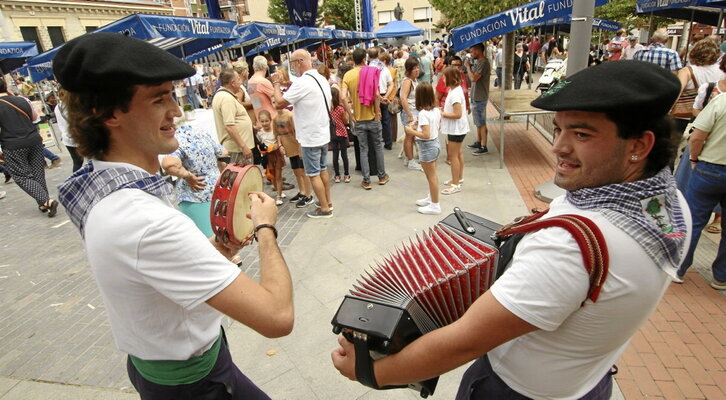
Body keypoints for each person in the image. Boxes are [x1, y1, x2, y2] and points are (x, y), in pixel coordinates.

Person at [332, 60, 691, 400]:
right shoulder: (668, 202)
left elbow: (465, 342)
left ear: (639, 145)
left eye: (581, 134)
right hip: (586, 381)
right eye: (559, 129)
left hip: (517, 390)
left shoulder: (571, 248)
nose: (558, 147)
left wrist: (370, 373)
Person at [53, 33, 293, 399]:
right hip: (197, 385)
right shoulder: (143, 219)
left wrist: (219, 249)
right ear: (108, 113)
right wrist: (265, 227)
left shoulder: (103, 187)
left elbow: (158, 276)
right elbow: (277, 317)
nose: (176, 111)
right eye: (158, 99)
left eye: (171, 96)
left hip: (163, 370)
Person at [675, 72, 726, 290]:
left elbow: (697, 135)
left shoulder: (721, 101)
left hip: (710, 167)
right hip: (711, 168)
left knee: (694, 220)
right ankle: (721, 276)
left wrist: (694, 159)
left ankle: (679, 268)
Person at [271, 49, 335, 218]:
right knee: (322, 170)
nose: (291, 67)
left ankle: (324, 209)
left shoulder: (302, 82)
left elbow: (279, 103)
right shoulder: (321, 78)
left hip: (310, 136)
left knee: (313, 174)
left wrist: (276, 84)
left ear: (299, 62)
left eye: (292, 63)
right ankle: (327, 202)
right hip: (322, 132)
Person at [0, 78, 59, 217]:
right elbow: (34, 118)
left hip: (13, 144)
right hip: (33, 140)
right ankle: (43, 203)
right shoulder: (21, 100)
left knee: (21, 176)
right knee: (38, 172)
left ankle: (47, 201)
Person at [161, 122, 225, 236]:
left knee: (205, 238)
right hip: (216, 190)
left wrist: (188, 176)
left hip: (194, 195)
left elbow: (169, 164)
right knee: (220, 234)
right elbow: (223, 153)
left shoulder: (177, 140)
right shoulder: (202, 133)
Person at [341, 48, 390, 190]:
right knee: (378, 147)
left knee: (363, 149)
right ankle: (381, 176)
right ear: (364, 59)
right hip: (373, 117)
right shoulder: (371, 72)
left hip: (358, 119)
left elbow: (343, 97)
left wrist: (351, 115)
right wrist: (376, 112)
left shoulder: (348, 75)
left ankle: (366, 180)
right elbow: (375, 95)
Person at [404, 82, 441, 215]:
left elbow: (426, 134)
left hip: (427, 146)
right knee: (432, 176)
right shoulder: (436, 110)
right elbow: (434, 127)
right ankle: (432, 198)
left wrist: (410, 131)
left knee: (431, 177)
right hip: (435, 144)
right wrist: (418, 124)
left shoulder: (423, 113)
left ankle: (435, 205)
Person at [272, 106, 314, 208]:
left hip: (297, 146)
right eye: (273, 102)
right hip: (288, 148)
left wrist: (300, 147)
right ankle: (302, 191)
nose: (276, 104)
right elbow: (277, 133)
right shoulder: (275, 118)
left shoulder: (290, 115)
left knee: (303, 172)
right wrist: (281, 145)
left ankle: (309, 195)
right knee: (296, 171)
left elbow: (298, 131)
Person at [212, 69, 255, 166]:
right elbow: (229, 126)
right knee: (244, 179)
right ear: (232, 82)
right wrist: (243, 147)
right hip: (238, 150)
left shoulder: (225, 95)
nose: (241, 82)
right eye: (238, 79)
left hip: (237, 149)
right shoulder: (226, 98)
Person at [465, 43, 492, 155]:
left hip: (480, 96)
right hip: (476, 95)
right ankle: (478, 141)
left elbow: (474, 78)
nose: (471, 54)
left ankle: (484, 146)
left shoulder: (483, 63)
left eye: (472, 51)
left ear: (478, 51)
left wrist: (467, 67)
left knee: (481, 122)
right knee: (478, 122)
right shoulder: (479, 62)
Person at [255, 110, 286, 206]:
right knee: (271, 176)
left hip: (276, 154)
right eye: (262, 121)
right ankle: (278, 190)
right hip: (267, 156)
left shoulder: (274, 130)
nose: (265, 123)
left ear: (270, 120)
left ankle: (279, 195)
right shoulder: (260, 133)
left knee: (278, 175)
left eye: (266, 121)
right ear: (259, 121)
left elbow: (279, 140)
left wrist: (278, 145)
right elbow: (259, 144)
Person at [400, 57, 423, 171]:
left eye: (418, 67)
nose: (417, 70)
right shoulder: (408, 81)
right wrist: (410, 115)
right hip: (410, 112)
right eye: (414, 68)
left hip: (414, 111)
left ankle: (409, 158)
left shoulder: (414, 80)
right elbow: (403, 98)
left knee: (411, 137)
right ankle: (410, 161)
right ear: (409, 70)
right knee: (410, 137)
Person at [55, 89, 83, 173]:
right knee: (92, 160)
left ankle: (77, 181)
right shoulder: (73, 105)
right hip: (79, 136)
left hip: (67, 138)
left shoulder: (58, 107)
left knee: (77, 162)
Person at [329, 87, 350, 184]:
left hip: (332, 133)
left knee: (335, 154)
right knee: (344, 154)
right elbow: (345, 121)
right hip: (341, 133)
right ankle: (346, 175)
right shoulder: (340, 109)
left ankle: (337, 175)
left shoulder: (328, 110)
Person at [248, 56, 276, 125]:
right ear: (266, 67)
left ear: (253, 67)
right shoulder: (263, 82)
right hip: (271, 118)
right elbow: (276, 99)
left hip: (260, 118)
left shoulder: (250, 81)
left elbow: (256, 103)